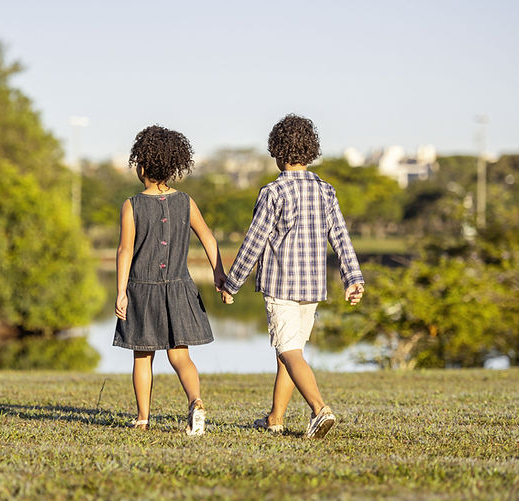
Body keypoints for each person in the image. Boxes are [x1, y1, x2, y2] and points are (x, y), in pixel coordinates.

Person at [221, 114, 364, 439]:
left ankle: (320, 409)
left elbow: (254, 241)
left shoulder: (273, 192)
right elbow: (340, 236)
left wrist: (232, 283)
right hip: (312, 287)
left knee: (289, 351)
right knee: (290, 350)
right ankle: (275, 418)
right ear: (311, 150)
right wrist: (352, 277)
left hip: (281, 285)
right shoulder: (326, 191)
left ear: (276, 151)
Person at [114, 125, 227, 436]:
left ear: (142, 165)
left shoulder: (132, 205)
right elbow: (208, 238)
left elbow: (125, 251)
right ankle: (195, 401)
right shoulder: (186, 201)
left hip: (142, 289)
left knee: (142, 355)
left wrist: (121, 291)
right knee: (180, 355)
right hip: (180, 289)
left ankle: (142, 418)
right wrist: (218, 273)